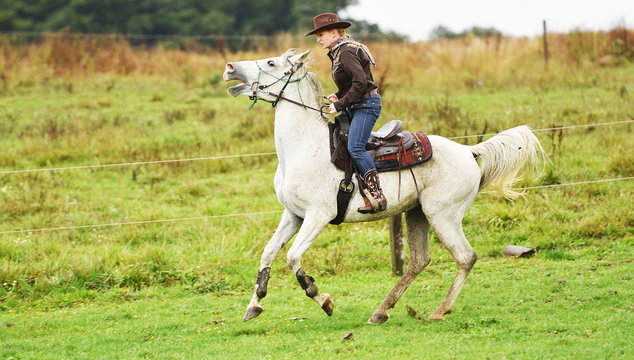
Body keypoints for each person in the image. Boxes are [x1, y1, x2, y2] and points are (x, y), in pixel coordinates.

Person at [305, 12, 387, 214]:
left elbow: (361, 83)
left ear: (334, 33)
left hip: (366, 105)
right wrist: (338, 94)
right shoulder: (340, 51)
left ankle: (378, 196)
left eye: (321, 34)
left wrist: (340, 104)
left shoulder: (346, 52)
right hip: (358, 103)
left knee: (356, 147)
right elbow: (353, 83)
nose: (318, 39)